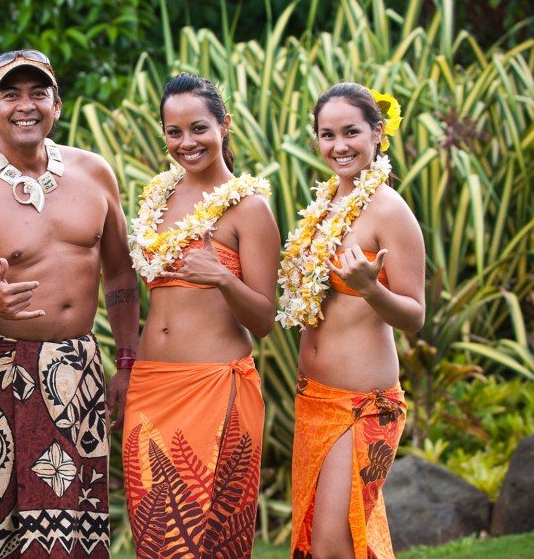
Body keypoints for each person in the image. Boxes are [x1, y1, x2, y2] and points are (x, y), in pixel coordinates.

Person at [0, 49, 139, 558]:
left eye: (37, 93)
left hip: (80, 371)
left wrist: (126, 361)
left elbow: (121, 273)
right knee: (3, 529)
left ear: (57, 105)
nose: (26, 105)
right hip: (0, 373)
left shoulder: (94, 173)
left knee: (77, 529)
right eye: (11, 94)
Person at [122, 73, 279, 557]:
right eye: (174, 132)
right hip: (150, 386)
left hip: (214, 387)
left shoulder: (249, 209)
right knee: (155, 535)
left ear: (224, 126)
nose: (186, 142)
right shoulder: (157, 201)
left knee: (205, 536)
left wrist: (224, 278)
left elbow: (264, 320)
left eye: (198, 128)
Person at [278, 83, 425, 559]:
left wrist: (370, 289)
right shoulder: (323, 209)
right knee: (325, 537)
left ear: (377, 133)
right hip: (314, 397)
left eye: (351, 132)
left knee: (334, 543)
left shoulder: (388, 210)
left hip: (362, 403)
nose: (339, 145)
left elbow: (415, 317)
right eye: (327, 134)